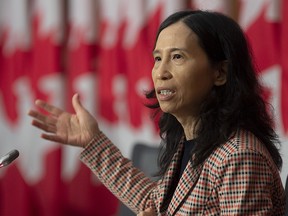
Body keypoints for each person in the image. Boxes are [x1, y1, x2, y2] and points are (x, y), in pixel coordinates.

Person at [28, 10, 285, 215]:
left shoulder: (239, 156)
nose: (160, 72)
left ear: (220, 73)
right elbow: (158, 206)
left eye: (177, 57)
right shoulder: (193, 142)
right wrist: (92, 143)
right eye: (157, 58)